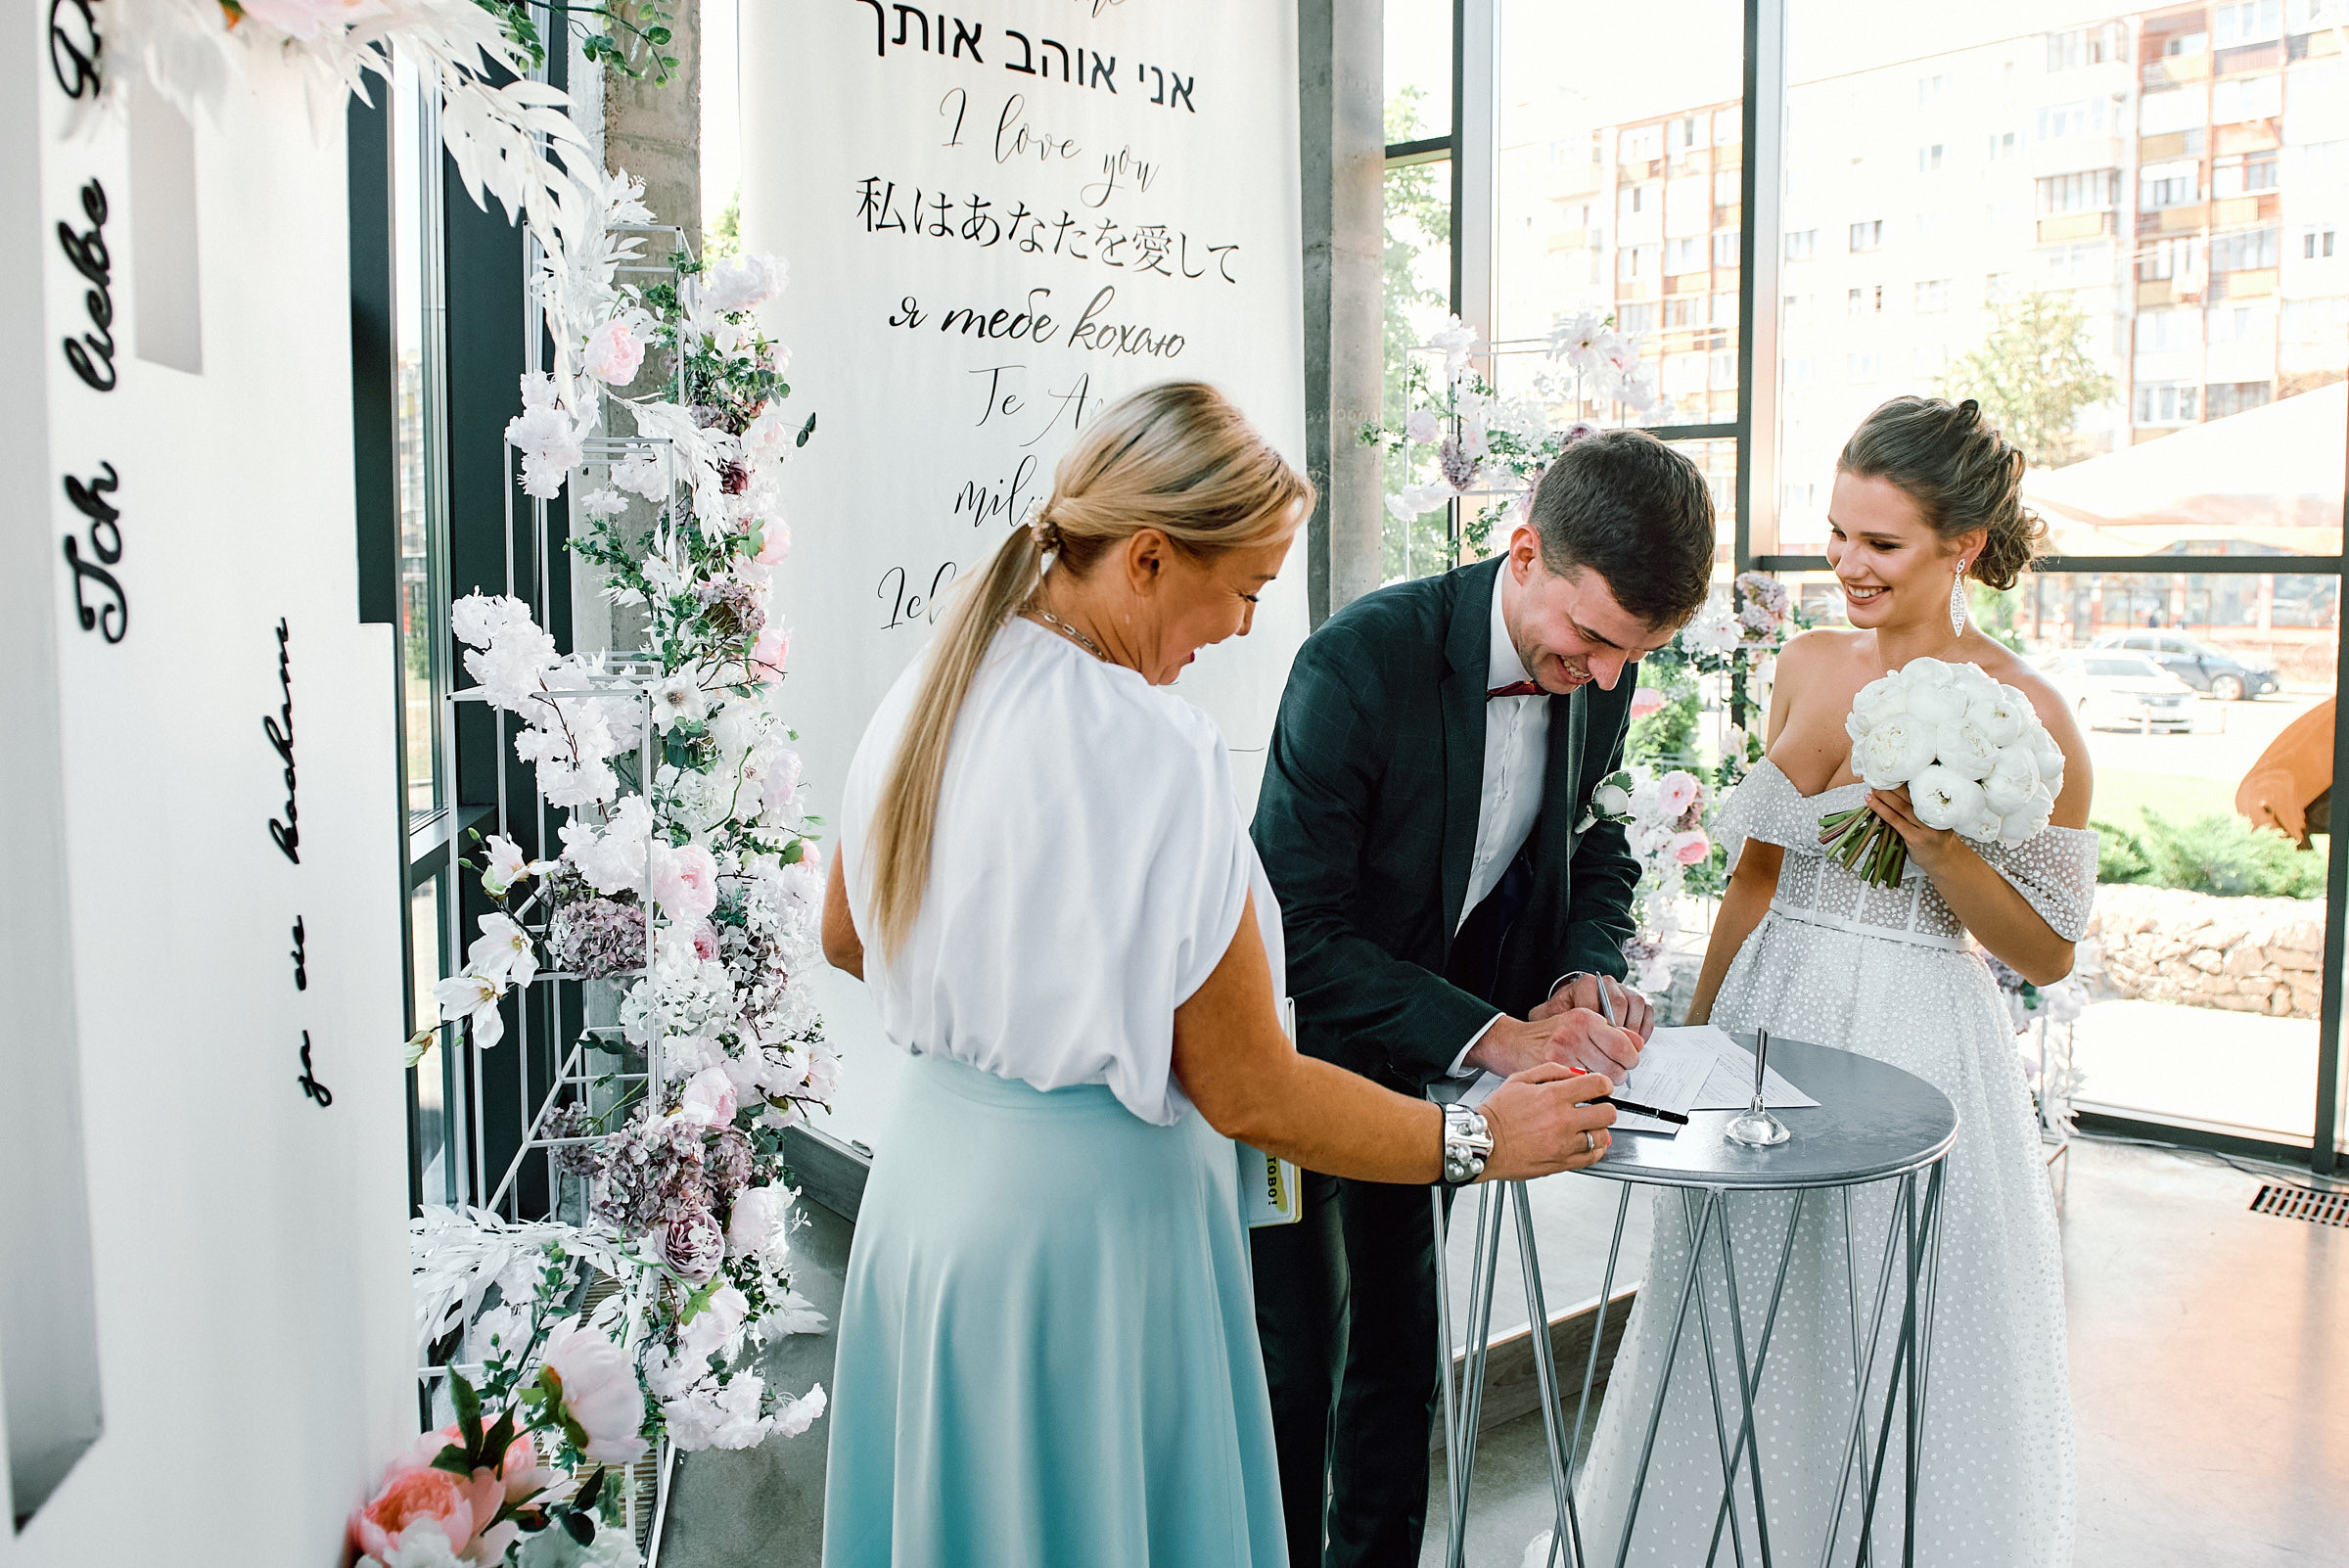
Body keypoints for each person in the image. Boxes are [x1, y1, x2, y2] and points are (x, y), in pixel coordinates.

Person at [817, 381, 1622, 1567]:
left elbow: (848, 934)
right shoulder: (1152, 748)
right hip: (1090, 1247)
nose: (1246, 626)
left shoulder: (934, 681)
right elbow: (1249, 1091)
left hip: (931, 1212)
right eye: (1244, 588)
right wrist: (1483, 1140)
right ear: (1147, 557)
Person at [1573, 395, 2094, 1565]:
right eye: (1838, 533)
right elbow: (1756, 872)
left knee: (1889, 1317)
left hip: (1918, 1029)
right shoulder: (1806, 665)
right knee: (1731, 1306)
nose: (1848, 565)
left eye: (1882, 542)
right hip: (1773, 1005)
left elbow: (2049, 951)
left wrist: (1944, 847)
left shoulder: (2031, 714)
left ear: (1963, 546)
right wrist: (1698, 1041)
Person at [1250, 430, 1722, 1568]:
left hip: (1451, 1073)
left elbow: (1595, 839)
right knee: (1295, 1364)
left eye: (1634, 653)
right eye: (1595, 639)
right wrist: (1502, 1037)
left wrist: (1581, 967)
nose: (1607, 674)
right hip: (1302, 1065)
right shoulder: (1358, 663)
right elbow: (1297, 935)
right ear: (1524, 552)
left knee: (1403, 1350)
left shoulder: (1602, 668)